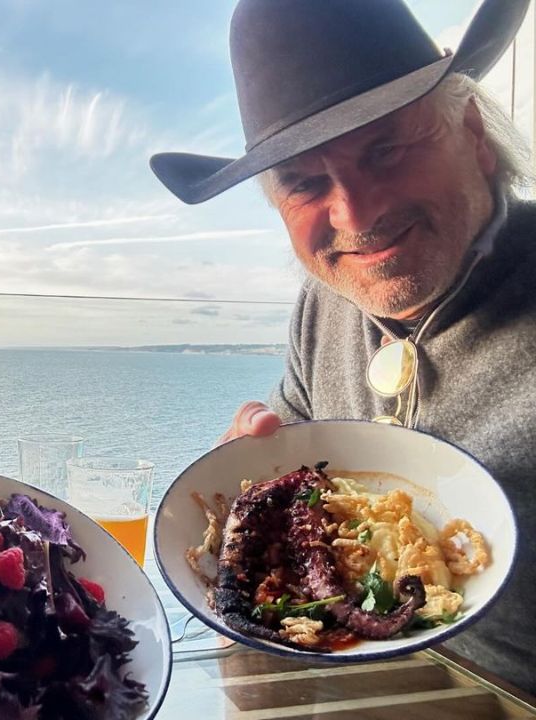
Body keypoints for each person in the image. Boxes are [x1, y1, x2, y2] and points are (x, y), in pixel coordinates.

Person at [150, 0, 535, 696]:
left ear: (474, 134)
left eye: (384, 150)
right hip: (341, 681)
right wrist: (253, 458)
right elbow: (293, 434)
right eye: (303, 182)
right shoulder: (324, 304)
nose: (355, 214)